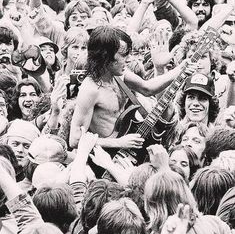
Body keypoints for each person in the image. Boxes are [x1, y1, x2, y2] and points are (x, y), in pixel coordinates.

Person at [70, 25, 196, 173]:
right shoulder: (90, 90)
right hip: (106, 162)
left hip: (131, 156)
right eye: (123, 55)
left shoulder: (118, 73)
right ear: (105, 57)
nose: (128, 59)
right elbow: (75, 139)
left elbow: (147, 88)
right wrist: (117, 143)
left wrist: (179, 69)